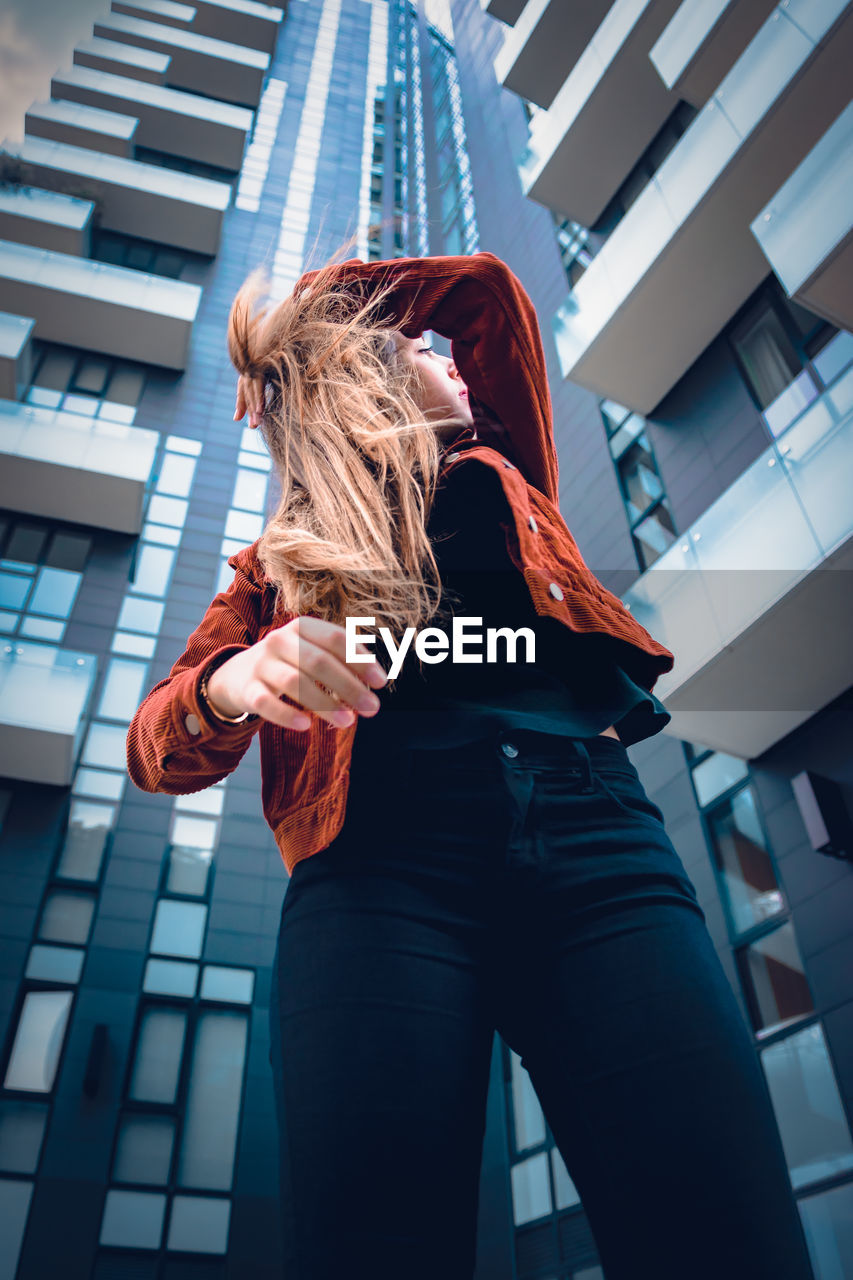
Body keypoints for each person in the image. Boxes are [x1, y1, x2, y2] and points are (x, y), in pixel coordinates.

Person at [126, 248, 815, 1280]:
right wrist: (238, 680)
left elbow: (485, 293)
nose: (441, 354)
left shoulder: (504, 466)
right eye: (413, 348)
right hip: (378, 872)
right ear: (367, 380)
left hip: (597, 842)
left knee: (723, 1235)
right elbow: (157, 747)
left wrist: (317, 318)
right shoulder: (276, 564)